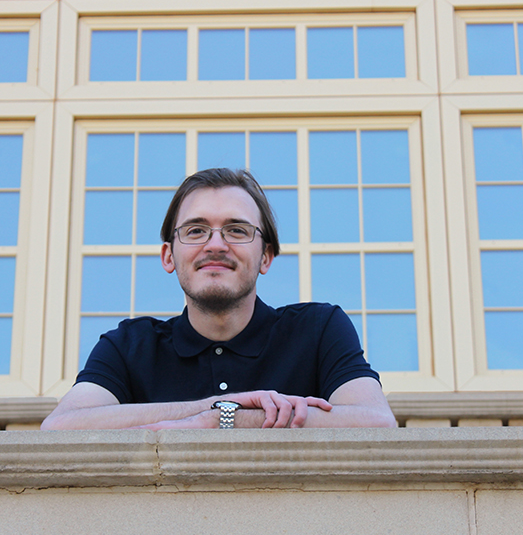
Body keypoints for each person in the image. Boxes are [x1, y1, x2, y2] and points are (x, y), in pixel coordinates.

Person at [42, 168, 397, 430]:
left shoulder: (319, 329)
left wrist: (229, 419)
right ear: (169, 256)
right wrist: (212, 409)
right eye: (196, 230)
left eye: (236, 230)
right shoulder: (128, 346)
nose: (215, 244)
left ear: (266, 256)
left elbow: (378, 423)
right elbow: (60, 429)